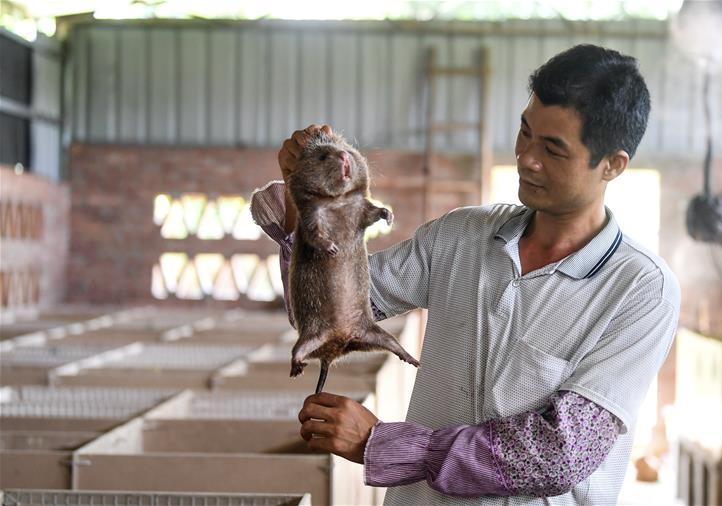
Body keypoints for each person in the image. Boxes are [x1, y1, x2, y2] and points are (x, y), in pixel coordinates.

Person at [250, 44, 680, 505]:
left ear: (612, 165)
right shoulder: (461, 237)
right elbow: (329, 316)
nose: (526, 157)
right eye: (525, 131)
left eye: (553, 149)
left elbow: (559, 452)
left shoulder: (640, 290)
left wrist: (383, 444)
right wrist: (308, 202)